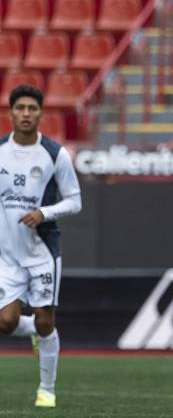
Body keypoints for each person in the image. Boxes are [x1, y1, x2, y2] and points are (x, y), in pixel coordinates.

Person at [0, 85, 82, 408]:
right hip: (7, 256)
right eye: (19, 108)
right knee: (5, 322)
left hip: (42, 253)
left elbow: (76, 201)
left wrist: (43, 213)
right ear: (10, 113)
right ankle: (32, 331)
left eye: (32, 109)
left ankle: (46, 390)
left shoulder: (54, 154)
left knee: (46, 320)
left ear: (40, 114)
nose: (25, 114)